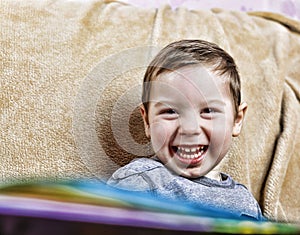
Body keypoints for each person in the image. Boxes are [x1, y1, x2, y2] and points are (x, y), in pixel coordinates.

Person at [107, 39, 264, 220]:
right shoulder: (141, 181)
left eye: (208, 111)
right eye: (171, 112)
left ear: (237, 120)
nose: (190, 128)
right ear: (147, 121)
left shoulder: (246, 202)